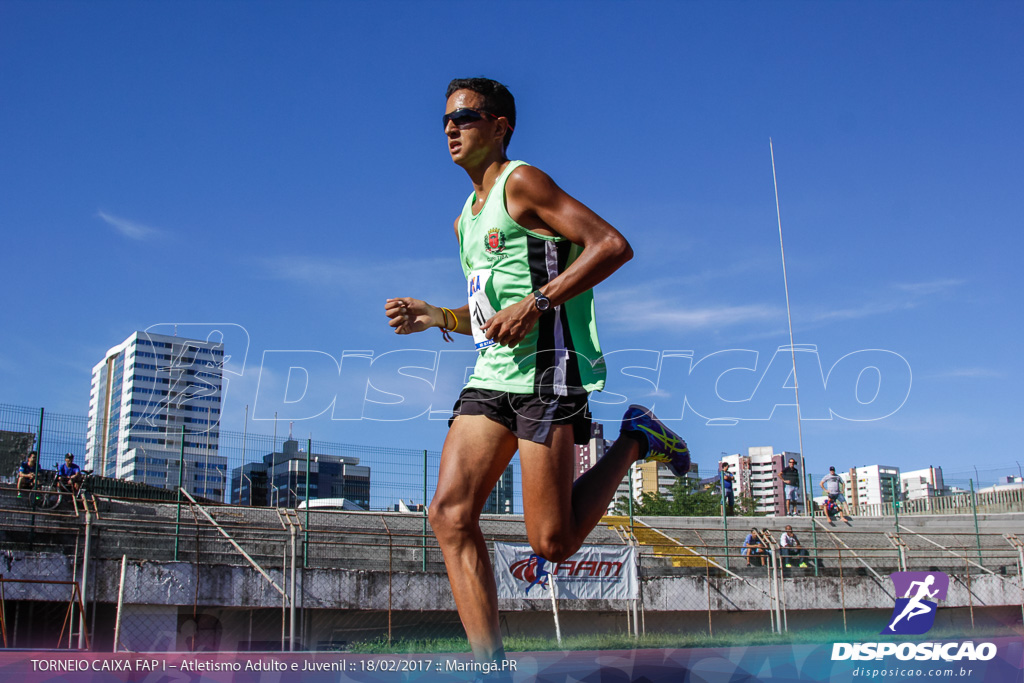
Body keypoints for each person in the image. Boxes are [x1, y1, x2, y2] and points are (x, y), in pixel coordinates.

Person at [385, 77, 691, 666]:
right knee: (449, 514)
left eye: (465, 116)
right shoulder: (463, 221)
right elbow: (486, 317)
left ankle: (634, 439)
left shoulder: (523, 181)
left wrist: (540, 302)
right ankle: (489, 667)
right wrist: (434, 315)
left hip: (550, 374)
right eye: (445, 120)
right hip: (491, 375)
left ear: (500, 125)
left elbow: (611, 244)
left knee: (550, 543)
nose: (450, 128)